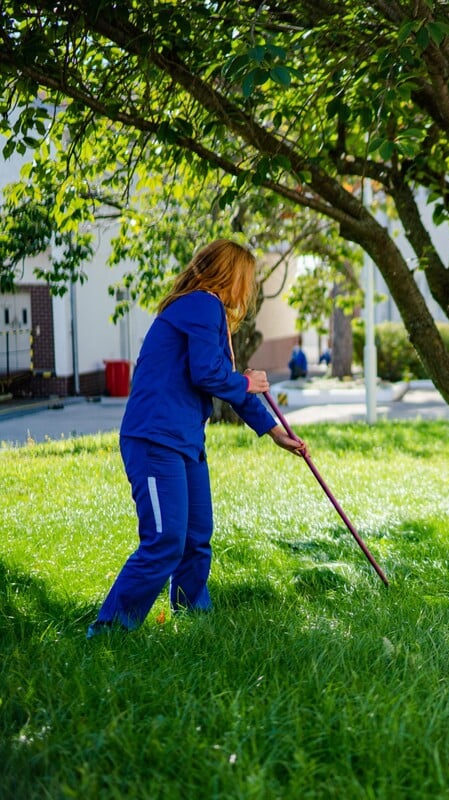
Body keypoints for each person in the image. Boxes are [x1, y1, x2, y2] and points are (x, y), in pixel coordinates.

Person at [88, 239, 308, 637]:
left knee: (195, 536)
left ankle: (193, 619)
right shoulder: (201, 305)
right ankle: (110, 630)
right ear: (230, 274)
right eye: (248, 279)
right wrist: (247, 380)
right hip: (156, 439)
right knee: (165, 539)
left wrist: (276, 432)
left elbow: (227, 385)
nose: (250, 288)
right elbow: (209, 375)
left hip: (185, 441)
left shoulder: (209, 313)